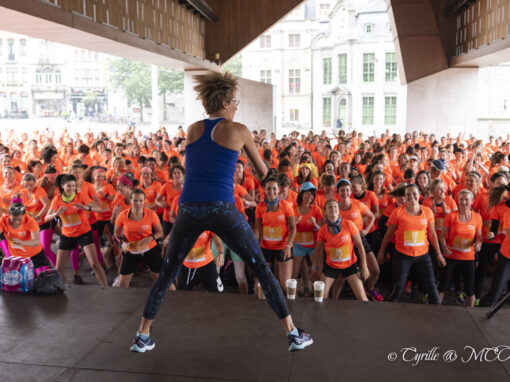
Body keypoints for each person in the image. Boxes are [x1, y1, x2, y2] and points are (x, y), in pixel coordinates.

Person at [130, 72, 312, 353]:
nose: (236, 106)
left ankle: (142, 334)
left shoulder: (192, 129)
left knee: (168, 272)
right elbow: (263, 174)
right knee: (261, 268)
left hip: (188, 207)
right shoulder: (238, 129)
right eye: (235, 101)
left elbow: (201, 164)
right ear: (226, 101)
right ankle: (292, 333)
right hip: (222, 207)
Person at [377, 184, 446, 303]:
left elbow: (433, 234)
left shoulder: (427, 211)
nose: (411, 196)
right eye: (408, 194)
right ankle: (386, 314)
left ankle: (438, 315)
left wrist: (439, 254)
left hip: (423, 256)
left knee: (432, 287)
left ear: (419, 195)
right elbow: (388, 234)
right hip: (402, 256)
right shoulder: (397, 212)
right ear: (405, 196)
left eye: (414, 193)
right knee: (398, 288)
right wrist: (381, 252)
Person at [45, 174, 108, 287]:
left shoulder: (81, 196)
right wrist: (56, 214)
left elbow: (99, 208)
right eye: (69, 186)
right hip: (67, 235)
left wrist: (86, 208)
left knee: (94, 263)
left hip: (83, 233)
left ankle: (105, 287)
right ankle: (61, 289)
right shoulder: (57, 199)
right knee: (59, 268)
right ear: (62, 186)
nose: (72, 188)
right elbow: (46, 218)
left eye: (74, 186)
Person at [310, 199, 369, 301]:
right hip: (331, 266)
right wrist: (314, 268)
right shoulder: (323, 230)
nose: (333, 208)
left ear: (338, 211)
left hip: (350, 266)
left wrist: (364, 266)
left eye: (335, 206)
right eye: (329, 207)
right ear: (325, 213)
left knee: (363, 298)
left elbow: (360, 246)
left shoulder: (349, 224)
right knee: (320, 297)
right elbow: (318, 250)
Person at [438, 190, 482, 307]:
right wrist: (443, 246)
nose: (463, 202)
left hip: (468, 258)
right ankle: (434, 310)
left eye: (466, 199)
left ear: (472, 201)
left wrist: (479, 244)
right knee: (442, 285)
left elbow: (479, 237)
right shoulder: (451, 216)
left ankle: (470, 314)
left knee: (469, 289)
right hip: (451, 256)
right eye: (461, 199)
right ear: (457, 201)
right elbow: (442, 236)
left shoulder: (477, 218)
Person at [113, 189, 163, 288]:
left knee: (161, 280)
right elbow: (116, 233)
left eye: (141, 201)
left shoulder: (151, 214)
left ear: (144, 201)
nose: (138, 203)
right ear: (130, 200)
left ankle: (172, 300)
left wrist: (151, 238)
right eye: (135, 200)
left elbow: (160, 232)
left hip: (150, 250)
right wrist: (123, 244)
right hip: (131, 251)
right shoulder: (122, 215)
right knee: (122, 286)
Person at [255, 177, 296, 293]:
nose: (271, 191)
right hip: (266, 247)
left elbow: (293, 228)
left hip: (283, 247)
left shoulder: (286, 206)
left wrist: (288, 246)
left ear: (279, 190)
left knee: (285, 284)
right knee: (262, 283)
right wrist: (254, 245)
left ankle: (291, 305)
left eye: (274, 188)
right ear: (264, 190)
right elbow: (257, 227)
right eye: (268, 189)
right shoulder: (260, 207)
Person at [0, 199, 51, 273]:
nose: (16, 222)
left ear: (24, 215)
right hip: (17, 258)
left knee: (44, 279)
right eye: (13, 219)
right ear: (9, 215)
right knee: (20, 281)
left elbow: (37, 241)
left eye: (19, 219)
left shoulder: (30, 221)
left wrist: (22, 243)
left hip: (35, 254)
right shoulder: (3, 220)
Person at [292, 182, 322, 295]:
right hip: (298, 245)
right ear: (301, 194)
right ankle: (293, 295)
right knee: (294, 273)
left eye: (312, 194)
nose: (310, 196)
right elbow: (288, 228)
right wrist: (294, 223)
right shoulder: (294, 209)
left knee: (316, 272)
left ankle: (318, 294)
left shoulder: (316, 210)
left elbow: (321, 231)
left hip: (313, 246)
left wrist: (315, 225)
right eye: (307, 194)